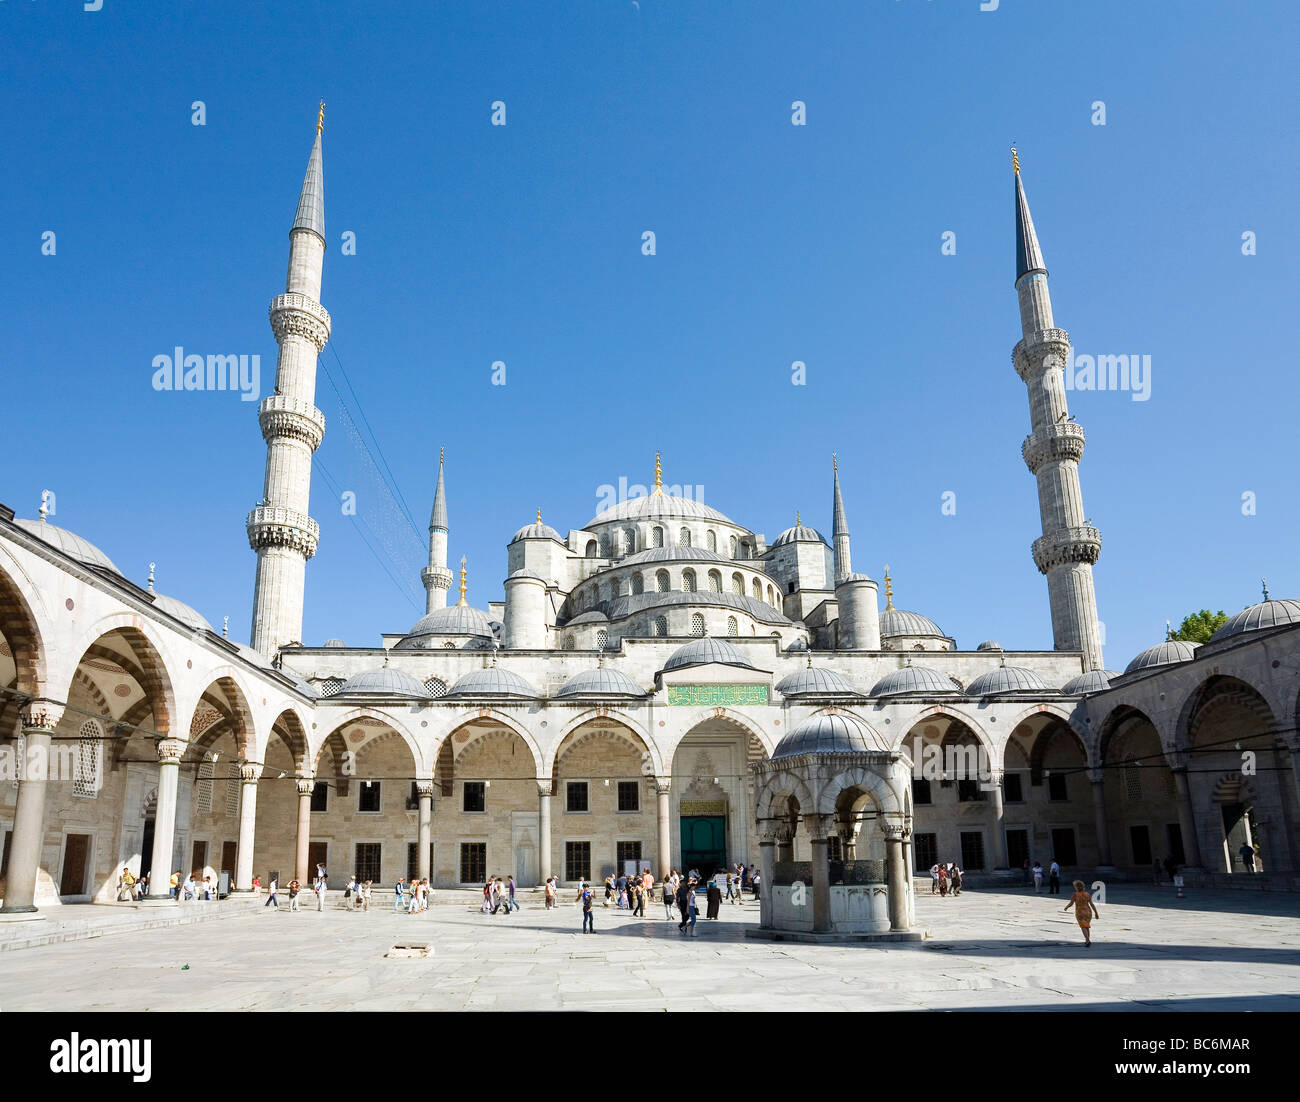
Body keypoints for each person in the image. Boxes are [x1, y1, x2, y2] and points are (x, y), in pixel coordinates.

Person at [1063, 879, 1100, 946]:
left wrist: (1066, 907)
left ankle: (1087, 939)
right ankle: (1087, 940)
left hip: (1080, 913)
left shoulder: (1075, 895)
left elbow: (1071, 903)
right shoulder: (1087, 894)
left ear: (1076, 887)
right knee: (1087, 926)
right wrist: (1096, 913)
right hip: (1088, 912)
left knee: (1083, 926)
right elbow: (1092, 904)